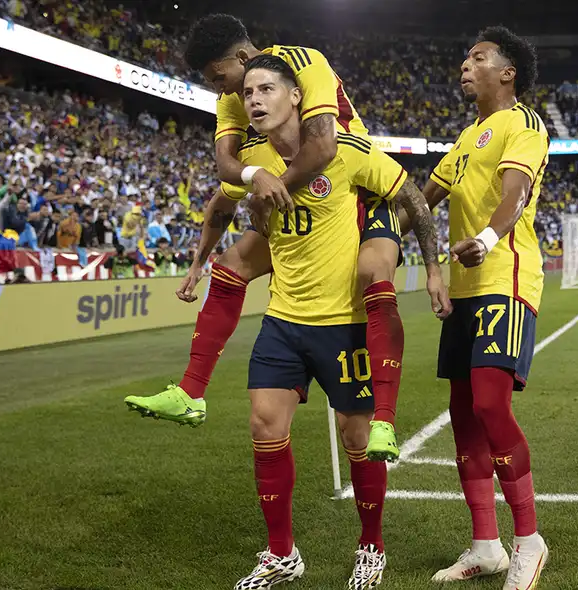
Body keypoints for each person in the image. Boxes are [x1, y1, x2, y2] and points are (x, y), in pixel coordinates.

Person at [144, 55, 444, 589]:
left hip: (344, 324)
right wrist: (198, 261)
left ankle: (371, 545)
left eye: (266, 90)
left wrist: (434, 268)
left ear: (297, 97)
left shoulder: (348, 152)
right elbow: (220, 204)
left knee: (358, 439)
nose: (253, 100)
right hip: (283, 321)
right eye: (249, 92)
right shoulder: (252, 160)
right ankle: (282, 553)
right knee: (264, 425)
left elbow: (413, 200)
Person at [127, 14, 407, 462]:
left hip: (358, 193)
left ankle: (385, 418)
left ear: (243, 58)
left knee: (372, 272)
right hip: (295, 194)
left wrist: (273, 189)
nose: (222, 91)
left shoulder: (304, 64)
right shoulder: (233, 98)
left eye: (220, 78)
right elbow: (226, 167)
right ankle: (191, 393)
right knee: (231, 265)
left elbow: (323, 148)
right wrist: (256, 179)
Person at [411, 27, 550, 589]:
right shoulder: (467, 137)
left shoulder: (525, 125)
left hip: (506, 278)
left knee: (492, 406)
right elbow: (422, 202)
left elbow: (514, 192)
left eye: (478, 57)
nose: (466, 65)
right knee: (464, 418)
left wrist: (488, 241)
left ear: (507, 71)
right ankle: (486, 546)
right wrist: (426, 261)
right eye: (465, 57)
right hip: (465, 293)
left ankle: (530, 540)